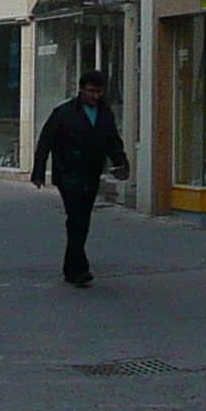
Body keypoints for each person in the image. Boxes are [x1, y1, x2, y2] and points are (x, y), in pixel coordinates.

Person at [31, 71, 128, 287]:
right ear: (82, 90)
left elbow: (113, 141)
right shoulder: (64, 113)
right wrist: (38, 172)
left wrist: (121, 163)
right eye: (91, 91)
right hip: (68, 174)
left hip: (91, 173)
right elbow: (45, 142)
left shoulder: (104, 113)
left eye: (99, 92)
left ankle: (71, 266)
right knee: (76, 217)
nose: (95, 96)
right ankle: (79, 268)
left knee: (82, 219)